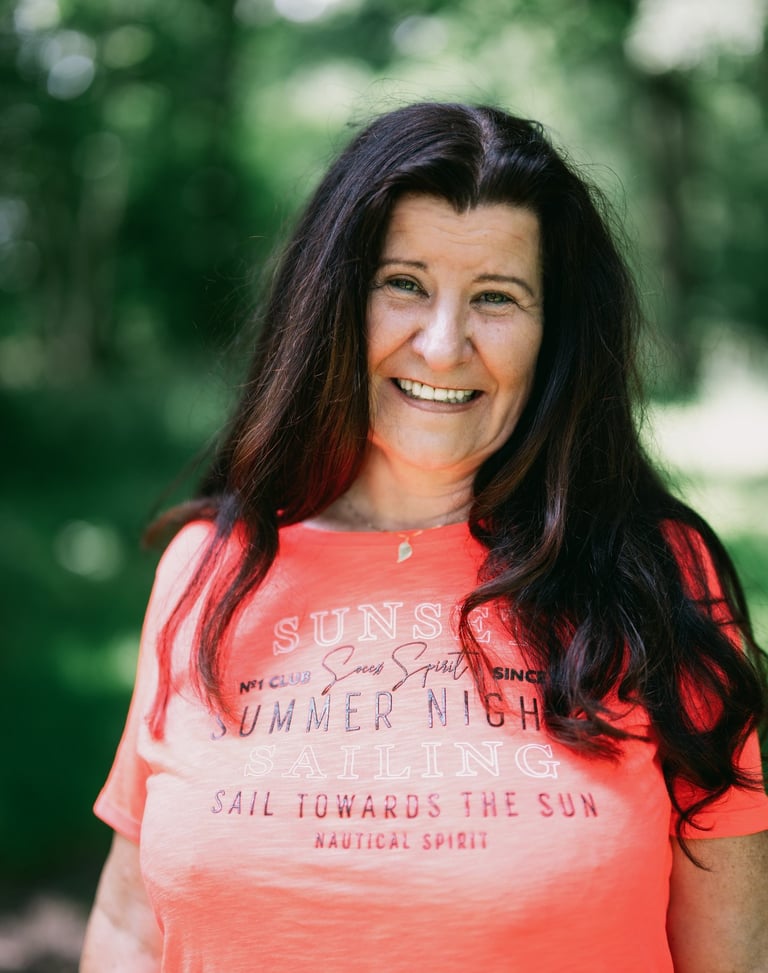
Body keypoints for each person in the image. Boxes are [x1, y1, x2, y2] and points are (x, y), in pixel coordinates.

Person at [80, 102, 768, 972]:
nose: (443, 346)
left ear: (554, 336)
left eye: (497, 297)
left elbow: (733, 958)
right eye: (403, 283)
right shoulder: (211, 568)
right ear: (334, 302)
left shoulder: (654, 577)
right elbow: (128, 927)